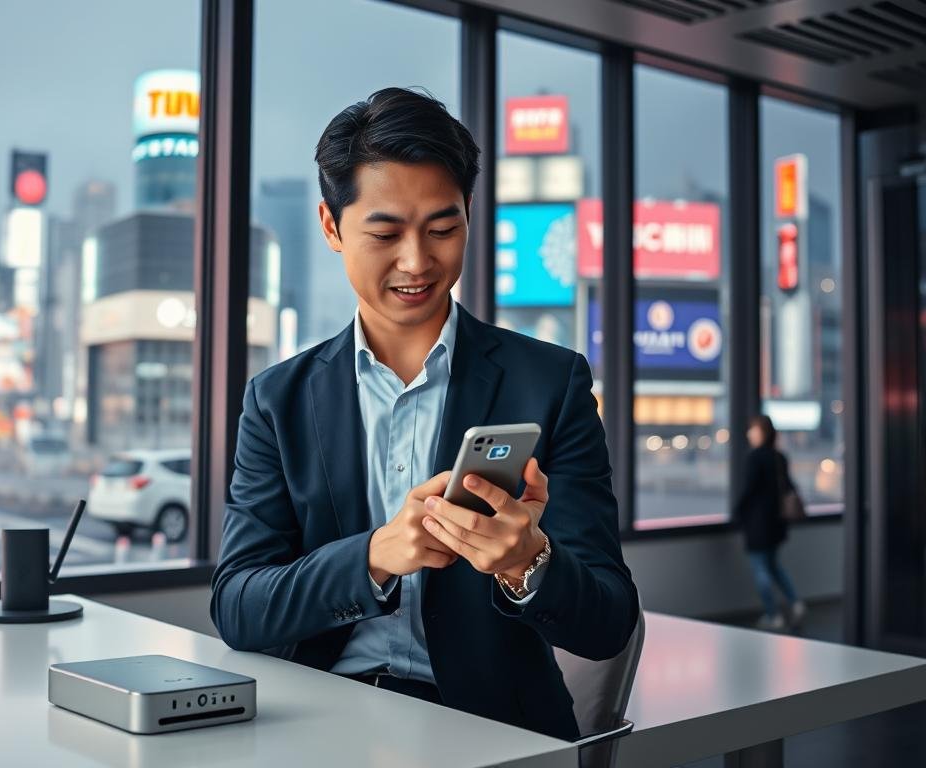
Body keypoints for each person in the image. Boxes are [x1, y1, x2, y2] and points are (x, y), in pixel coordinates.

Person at [210, 88, 638, 742]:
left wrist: (528, 562)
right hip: (321, 727)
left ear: (469, 215)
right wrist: (377, 556)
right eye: (385, 233)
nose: (417, 261)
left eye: (443, 229)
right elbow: (238, 606)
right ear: (331, 226)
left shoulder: (551, 383)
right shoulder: (277, 401)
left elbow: (608, 622)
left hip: (495, 736)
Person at [735, 415, 806, 631]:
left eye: (753, 430)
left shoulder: (754, 458)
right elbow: (789, 486)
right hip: (777, 523)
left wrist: (738, 512)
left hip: (758, 524)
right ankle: (796, 603)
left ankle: (772, 614)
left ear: (761, 432)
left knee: (761, 569)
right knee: (773, 566)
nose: (749, 434)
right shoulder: (779, 457)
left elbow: (749, 490)